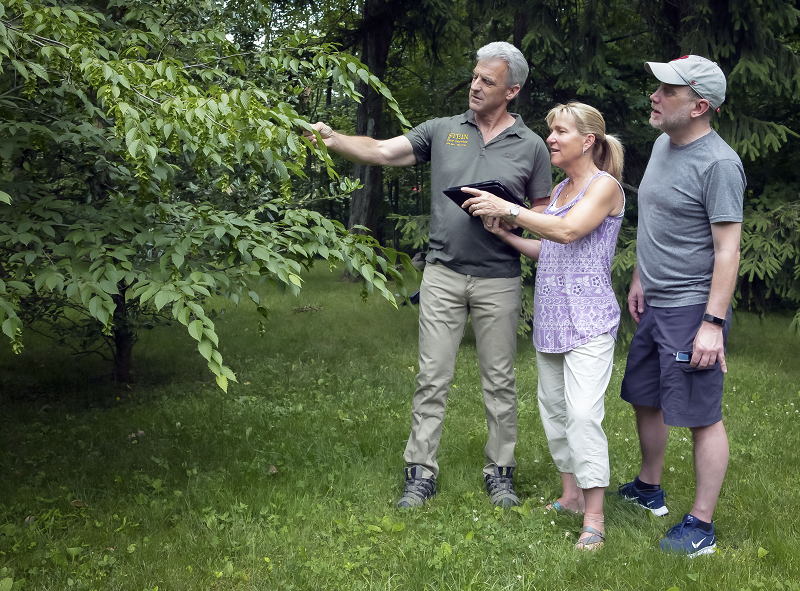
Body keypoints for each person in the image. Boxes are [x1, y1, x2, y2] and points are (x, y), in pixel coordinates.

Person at [305, 42, 552, 508]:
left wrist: (509, 214)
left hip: (499, 278)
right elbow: (381, 151)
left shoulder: (533, 147)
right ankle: (420, 472)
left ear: (512, 91)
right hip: (441, 274)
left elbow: (543, 216)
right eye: (475, 76)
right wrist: (333, 139)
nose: (475, 86)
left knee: (500, 380)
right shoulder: (442, 130)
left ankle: (500, 472)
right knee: (432, 376)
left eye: (488, 81)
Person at [462, 102, 625, 550]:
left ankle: (595, 518)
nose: (550, 138)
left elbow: (569, 232)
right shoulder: (558, 191)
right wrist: (505, 234)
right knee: (554, 415)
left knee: (583, 416)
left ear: (587, 140)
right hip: (552, 320)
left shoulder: (604, 187)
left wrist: (509, 208)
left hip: (589, 320)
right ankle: (571, 497)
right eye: (550, 131)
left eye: (560, 132)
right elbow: (550, 248)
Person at [616, 55, 745, 557]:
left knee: (700, 414)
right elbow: (657, 219)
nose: (655, 95)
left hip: (693, 307)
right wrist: (639, 276)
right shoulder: (662, 144)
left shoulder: (719, 164)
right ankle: (649, 489)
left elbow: (727, 250)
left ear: (699, 106)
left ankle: (701, 526)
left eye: (667, 90)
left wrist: (711, 323)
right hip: (655, 301)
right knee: (645, 396)